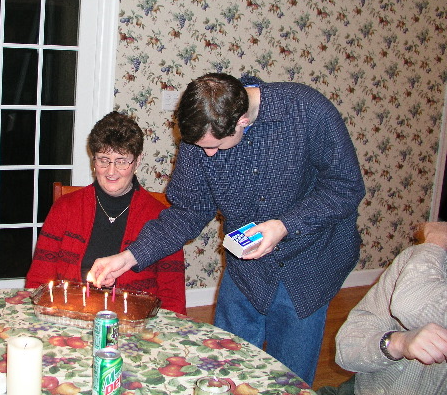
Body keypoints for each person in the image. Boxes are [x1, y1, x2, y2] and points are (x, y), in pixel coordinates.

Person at [90, 73, 365, 385]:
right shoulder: (201, 131)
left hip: (309, 263)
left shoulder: (307, 111)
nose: (207, 155)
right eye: (200, 147)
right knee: (222, 365)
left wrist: (284, 226)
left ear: (242, 122)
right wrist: (127, 258)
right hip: (245, 264)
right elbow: (188, 212)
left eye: (216, 147)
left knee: (289, 378)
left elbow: (346, 187)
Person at [25, 111, 186, 314]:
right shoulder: (65, 208)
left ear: (137, 161)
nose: (111, 171)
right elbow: (38, 281)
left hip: (133, 321)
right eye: (103, 160)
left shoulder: (162, 219)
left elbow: (173, 297)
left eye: (121, 161)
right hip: (68, 315)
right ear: (94, 161)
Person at [327, 222, 447, 395]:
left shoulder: (428, 252)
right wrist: (398, 343)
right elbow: (347, 348)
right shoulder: (415, 259)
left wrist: (435, 242)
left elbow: (409, 305)